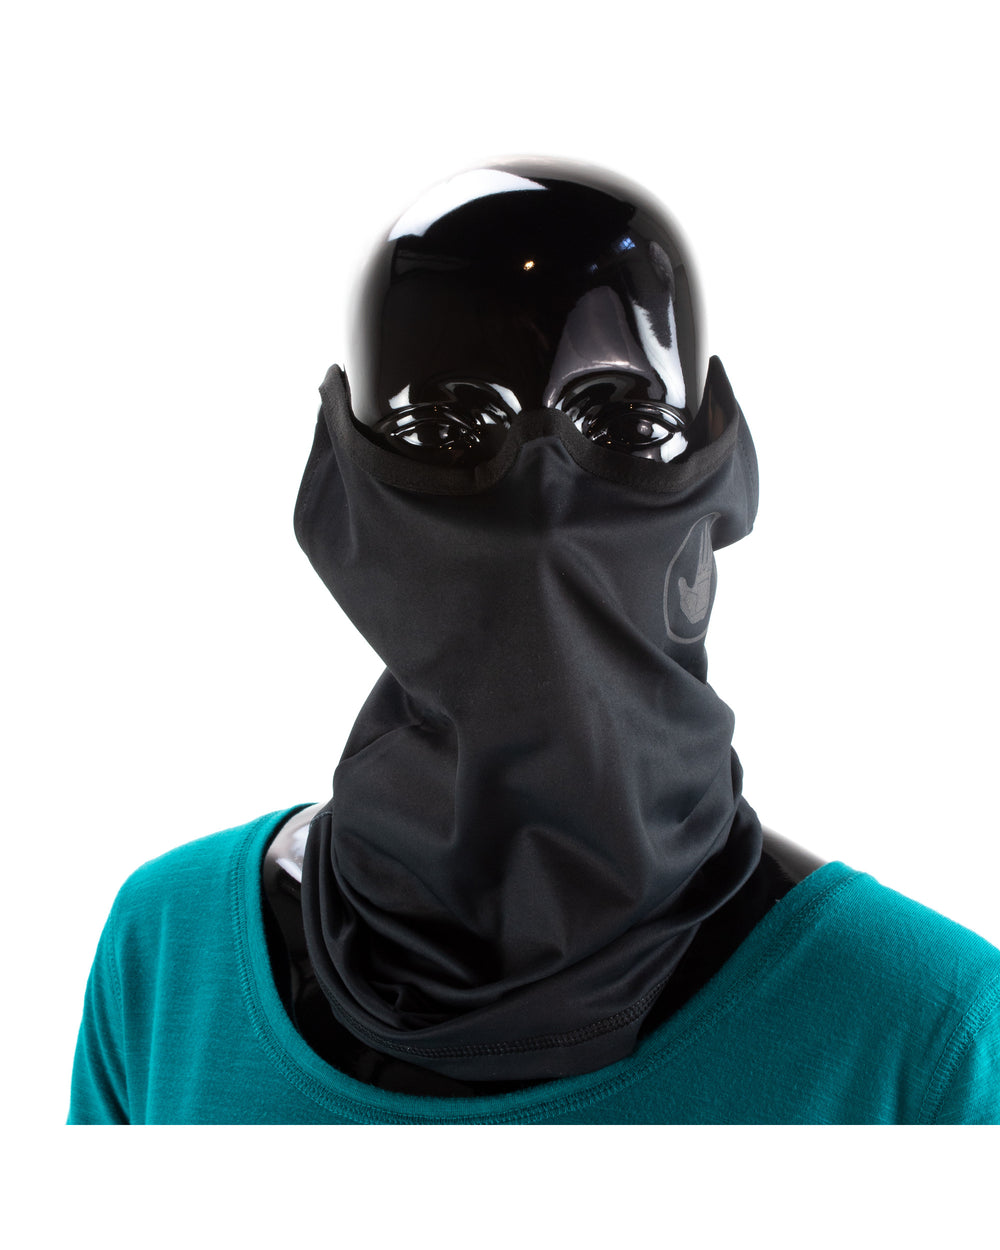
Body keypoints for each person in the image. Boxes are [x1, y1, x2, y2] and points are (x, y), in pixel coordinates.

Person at [68, 158, 1000, 1123]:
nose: (546, 508)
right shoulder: (164, 958)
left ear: (718, 459)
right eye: (448, 429)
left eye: (623, 422)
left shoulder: (931, 1038)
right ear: (345, 477)